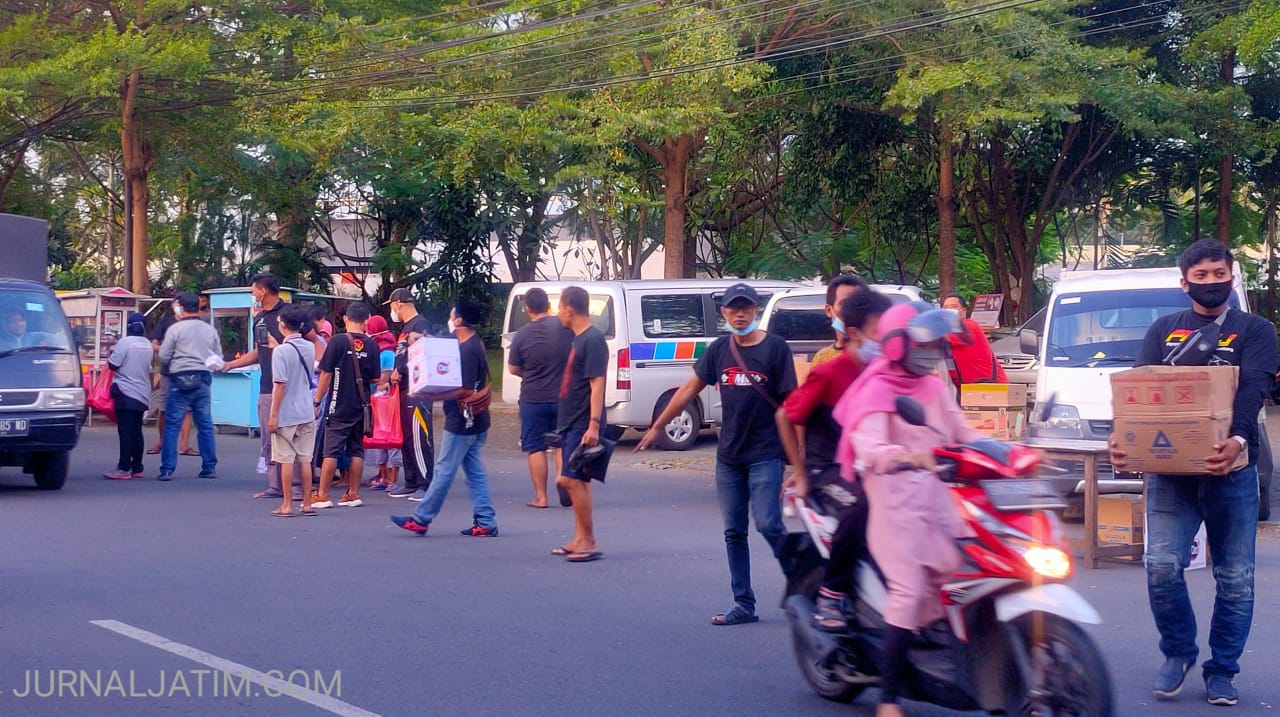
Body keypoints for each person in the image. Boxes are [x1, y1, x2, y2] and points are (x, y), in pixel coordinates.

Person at [1108, 239, 1277, 707]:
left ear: (1231, 275)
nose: (1210, 282)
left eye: (1217, 274)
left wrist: (1238, 440)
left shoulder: (1255, 330)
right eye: (1200, 276)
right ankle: (1178, 652)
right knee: (1161, 565)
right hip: (1171, 475)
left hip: (1232, 473)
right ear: (1184, 283)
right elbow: (1139, 396)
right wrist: (1122, 437)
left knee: (1235, 577)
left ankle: (1222, 669)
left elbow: (1254, 389)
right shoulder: (1164, 330)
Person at [832, 303, 979, 717]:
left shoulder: (932, 387)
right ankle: (889, 698)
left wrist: (1003, 448)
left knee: (959, 570)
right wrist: (907, 457)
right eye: (924, 343)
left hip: (933, 498)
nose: (932, 351)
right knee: (909, 590)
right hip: (893, 502)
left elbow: (960, 429)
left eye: (937, 344)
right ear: (897, 344)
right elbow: (870, 446)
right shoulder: (876, 390)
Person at [639, 282, 797, 624]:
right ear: (723, 312)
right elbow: (689, 389)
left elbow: (791, 406)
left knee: (769, 522)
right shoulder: (719, 350)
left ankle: (802, 584)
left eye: (746, 307)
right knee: (733, 531)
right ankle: (743, 604)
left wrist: (800, 462)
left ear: (756, 310)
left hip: (765, 453)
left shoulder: (775, 349)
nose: (740, 314)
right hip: (729, 456)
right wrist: (658, 425)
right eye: (733, 308)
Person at [777, 290, 893, 630]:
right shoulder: (830, 372)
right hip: (827, 470)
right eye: (878, 331)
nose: (885, 339)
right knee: (860, 507)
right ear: (855, 332)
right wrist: (800, 472)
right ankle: (832, 591)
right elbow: (785, 417)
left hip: (874, 465)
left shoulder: (888, 372)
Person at [391, 298, 498, 537]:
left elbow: (465, 390)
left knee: (443, 470)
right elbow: (443, 343)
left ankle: (421, 518)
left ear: (459, 320)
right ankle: (486, 520)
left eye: (451, 316)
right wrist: (423, 340)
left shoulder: (469, 350)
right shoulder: (468, 342)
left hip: (463, 420)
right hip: (476, 420)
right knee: (474, 472)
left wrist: (430, 394)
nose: (450, 319)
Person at [220, 272, 323, 499]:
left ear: (263, 290)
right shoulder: (259, 318)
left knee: (294, 437)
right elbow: (260, 351)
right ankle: (275, 485)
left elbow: (314, 340)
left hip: (294, 387)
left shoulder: (290, 314)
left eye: (254, 289)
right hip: (268, 384)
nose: (252, 293)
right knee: (271, 437)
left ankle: (296, 488)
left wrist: (317, 369)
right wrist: (230, 365)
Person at [541, 286, 610, 562]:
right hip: (572, 420)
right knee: (579, 481)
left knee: (568, 479)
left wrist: (593, 425)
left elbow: (597, 384)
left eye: (559, 307)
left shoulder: (592, 339)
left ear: (569, 308)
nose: (558, 313)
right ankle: (580, 538)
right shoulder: (578, 338)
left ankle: (589, 541)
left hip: (584, 421)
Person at [508, 287, 575, 509]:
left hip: (532, 398)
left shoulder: (521, 335)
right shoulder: (565, 328)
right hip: (562, 397)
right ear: (548, 305)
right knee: (561, 443)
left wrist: (528, 373)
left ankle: (541, 497)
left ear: (528, 309)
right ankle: (563, 479)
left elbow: (512, 368)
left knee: (535, 447)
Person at [311, 301, 381, 509]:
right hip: (362, 405)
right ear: (367, 321)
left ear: (345, 319)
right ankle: (353, 493)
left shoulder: (338, 342)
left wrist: (317, 399)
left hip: (338, 404)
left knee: (330, 450)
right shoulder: (372, 345)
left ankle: (323, 494)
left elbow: (326, 373)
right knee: (356, 449)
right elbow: (376, 379)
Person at [155, 292, 221, 481]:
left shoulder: (176, 329)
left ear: (182, 308)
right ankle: (209, 467)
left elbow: (164, 356)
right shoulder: (210, 330)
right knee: (205, 424)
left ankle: (167, 469)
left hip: (179, 379)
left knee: (172, 425)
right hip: (202, 378)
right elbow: (217, 356)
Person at [267, 306, 318, 517]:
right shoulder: (310, 347)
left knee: (285, 459)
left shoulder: (280, 352)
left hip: (286, 412)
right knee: (305, 459)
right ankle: (307, 503)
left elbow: (280, 384)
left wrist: (273, 415)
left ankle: (287, 504)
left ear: (282, 325)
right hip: (306, 409)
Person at [385, 288, 435, 500]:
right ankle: (411, 480)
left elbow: (426, 351)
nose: (391, 310)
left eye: (391, 305)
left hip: (418, 391)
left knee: (419, 436)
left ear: (398, 303)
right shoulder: (406, 328)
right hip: (404, 389)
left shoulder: (420, 325)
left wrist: (401, 370)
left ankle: (425, 482)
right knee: (406, 436)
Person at [104, 312, 154, 480]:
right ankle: (137, 467)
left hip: (125, 392)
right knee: (136, 431)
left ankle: (124, 467)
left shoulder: (125, 342)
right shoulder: (147, 344)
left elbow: (113, 365)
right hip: (142, 393)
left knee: (125, 432)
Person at [147, 303, 193, 458]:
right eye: (177, 303)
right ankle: (162, 442)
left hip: (187, 370)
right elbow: (154, 344)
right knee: (164, 408)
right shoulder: (166, 321)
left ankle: (184, 445)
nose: (179, 306)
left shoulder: (192, 322)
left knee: (187, 408)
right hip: (167, 371)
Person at [363, 314, 403, 491]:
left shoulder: (386, 352)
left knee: (389, 438)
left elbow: (382, 379)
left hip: (385, 401)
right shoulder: (381, 348)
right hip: (378, 401)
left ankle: (392, 478)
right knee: (380, 439)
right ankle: (383, 476)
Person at [940, 293, 1008, 385]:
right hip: (972, 389)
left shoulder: (969, 326)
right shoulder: (948, 334)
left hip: (992, 388)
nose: (948, 310)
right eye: (945, 308)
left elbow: (935, 336)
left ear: (963, 311)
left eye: (953, 307)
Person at [810, 275, 869, 366]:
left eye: (858, 303)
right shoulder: (822, 359)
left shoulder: (876, 356)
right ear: (829, 310)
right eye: (845, 303)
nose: (851, 309)